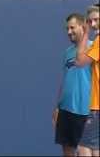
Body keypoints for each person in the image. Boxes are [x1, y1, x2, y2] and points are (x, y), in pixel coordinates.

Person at [51, 13, 92, 156]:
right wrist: (58, 106)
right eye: (67, 29)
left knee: (84, 151)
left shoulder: (94, 49)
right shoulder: (68, 53)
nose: (69, 32)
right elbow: (66, 80)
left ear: (83, 27)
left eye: (72, 28)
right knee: (67, 151)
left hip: (86, 111)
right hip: (66, 111)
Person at [75, 4, 99, 156]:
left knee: (84, 147)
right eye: (90, 21)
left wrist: (84, 34)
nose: (93, 24)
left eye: (96, 20)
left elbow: (80, 61)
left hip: (97, 107)